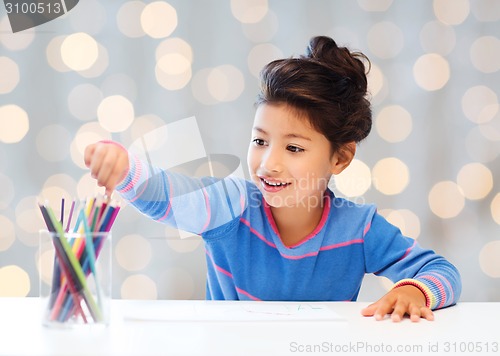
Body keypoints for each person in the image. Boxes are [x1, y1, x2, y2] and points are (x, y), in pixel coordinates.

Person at [84, 36, 461, 322]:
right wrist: (127, 170)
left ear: (341, 157)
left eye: (293, 148)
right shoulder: (229, 207)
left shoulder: (358, 230)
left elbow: (441, 272)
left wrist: (415, 291)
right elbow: (170, 195)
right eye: (260, 141)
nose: (268, 163)